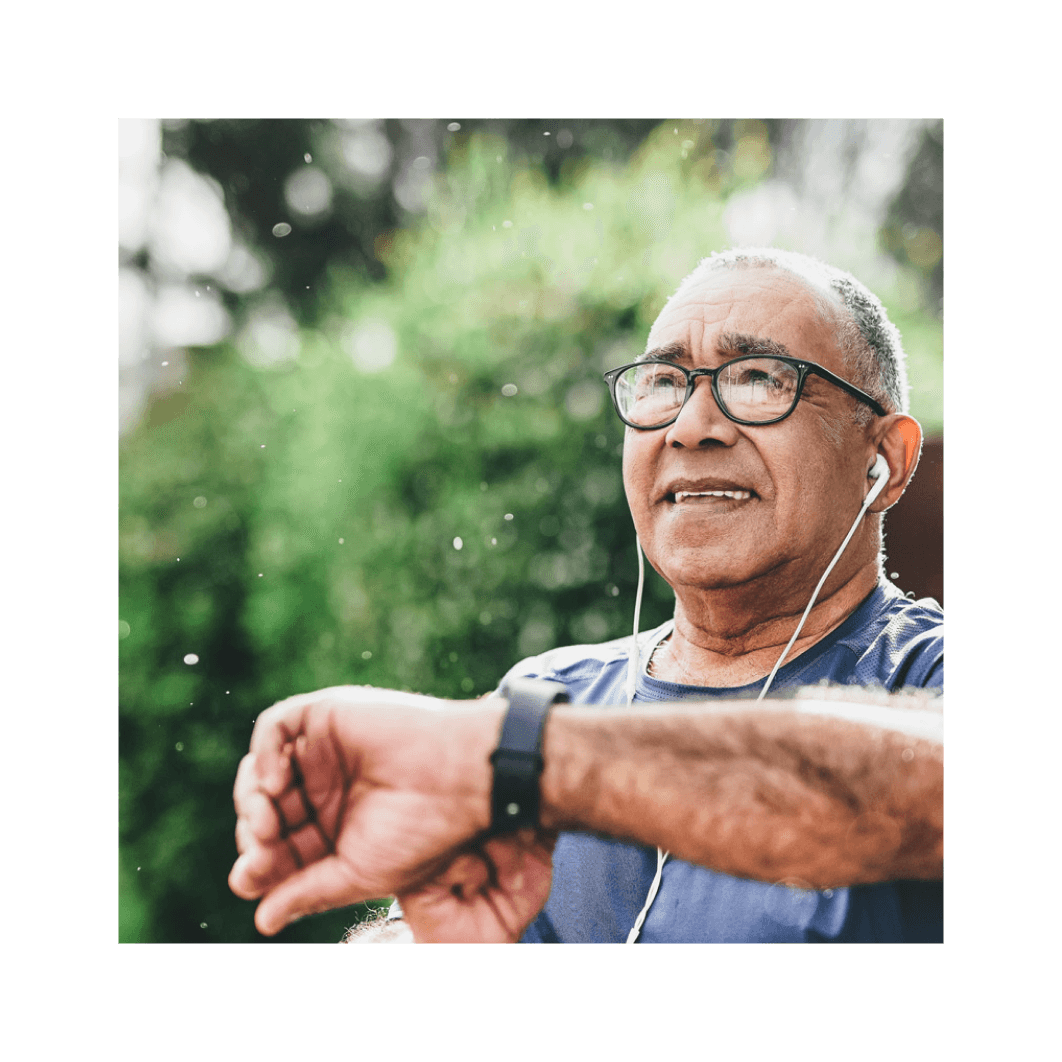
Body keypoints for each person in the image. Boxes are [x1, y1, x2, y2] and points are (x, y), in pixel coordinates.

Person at [229, 248, 943, 944]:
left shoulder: (924, 677)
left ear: (885, 457)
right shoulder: (543, 694)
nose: (689, 428)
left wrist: (537, 763)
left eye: (759, 378)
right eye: (663, 381)